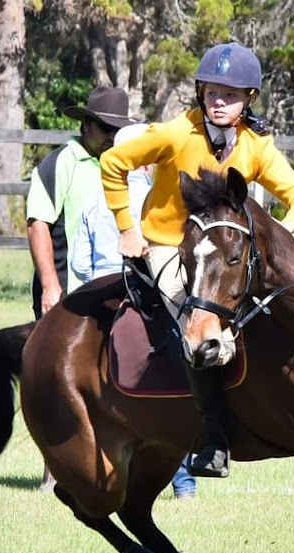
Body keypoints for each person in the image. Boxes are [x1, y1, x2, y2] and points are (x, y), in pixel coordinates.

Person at [100, 42, 294, 480]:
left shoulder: (256, 145)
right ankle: (213, 436)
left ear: (249, 99)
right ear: (200, 92)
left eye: (230, 95)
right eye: (212, 92)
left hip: (230, 249)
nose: (219, 101)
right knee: (195, 323)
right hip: (169, 245)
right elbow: (114, 162)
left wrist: (277, 238)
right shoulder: (176, 134)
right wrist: (126, 228)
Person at [72, 123, 199, 500]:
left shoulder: (96, 199)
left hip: (98, 298)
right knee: (176, 376)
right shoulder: (159, 199)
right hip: (144, 292)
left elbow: (79, 260)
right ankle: (185, 479)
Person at [26, 85, 137, 491]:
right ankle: (53, 470)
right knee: (57, 382)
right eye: (105, 127)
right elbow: (38, 222)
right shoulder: (58, 165)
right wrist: (51, 286)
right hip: (68, 293)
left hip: (116, 289)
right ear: (85, 123)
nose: (111, 136)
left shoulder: (124, 164)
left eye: (117, 129)